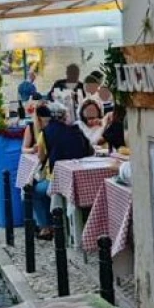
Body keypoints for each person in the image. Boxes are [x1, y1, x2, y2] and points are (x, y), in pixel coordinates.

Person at [32, 100, 92, 238]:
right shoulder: (76, 130)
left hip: (60, 181)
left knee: (35, 190)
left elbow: (41, 158)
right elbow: (90, 151)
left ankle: (46, 227)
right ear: (64, 116)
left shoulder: (45, 133)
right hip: (81, 178)